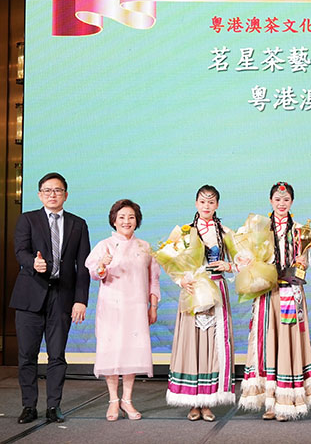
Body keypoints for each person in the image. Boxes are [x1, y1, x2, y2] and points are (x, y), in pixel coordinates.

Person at [11, 172, 91, 424]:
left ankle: (54, 406)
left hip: (62, 296)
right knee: (27, 355)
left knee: (57, 355)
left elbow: (83, 266)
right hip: (30, 296)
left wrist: (81, 299)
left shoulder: (78, 224)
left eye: (57, 190)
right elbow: (20, 251)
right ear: (39, 195)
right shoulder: (28, 219)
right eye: (47, 190)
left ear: (65, 194)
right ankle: (28, 406)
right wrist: (32, 263)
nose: (52, 194)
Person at [239, 182, 311, 420]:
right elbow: (243, 255)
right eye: (277, 199)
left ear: (291, 202)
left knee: (288, 343)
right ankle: (269, 402)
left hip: (290, 290)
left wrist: (303, 260)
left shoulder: (300, 230)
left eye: (286, 200)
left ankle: (287, 401)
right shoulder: (259, 228)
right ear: (270, 201)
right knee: (268, 342)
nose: (281, 203)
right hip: (267, 292)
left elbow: (306, 260)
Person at [85, 199, 161, 421]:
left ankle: (127, 400)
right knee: (112, 351)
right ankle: (113, 400)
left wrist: (153, 306)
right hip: (111, 307)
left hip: (136, 307)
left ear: (137, 221)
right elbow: (94, 273)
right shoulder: (105, 245)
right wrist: (102, 264)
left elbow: (154, 279)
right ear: (114, 220)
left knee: (132, 351)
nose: (126, 221)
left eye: (131, 217)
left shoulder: (145, 247)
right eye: (122, 217)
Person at [166, 185, 237, 421]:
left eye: (211, 202)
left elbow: (243, 260)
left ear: (217, 205)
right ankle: (192, 402)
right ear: (196, 203)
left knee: (213, 345)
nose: (206, 206)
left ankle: (208, 402)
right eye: (203, 202)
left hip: (216, 290)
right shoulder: (185, 232)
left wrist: (229, 266)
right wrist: (181, 280)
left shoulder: (225, 232)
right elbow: (170, 263)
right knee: (192, 345)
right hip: (193, 290)